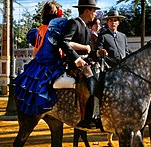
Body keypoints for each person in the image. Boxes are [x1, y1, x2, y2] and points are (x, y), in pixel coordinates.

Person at [14, 2, 65, 115]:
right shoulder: (56, 30)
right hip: (51, 63)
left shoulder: (38, 31)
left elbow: (36, 51)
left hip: (36, 64)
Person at [60, 0, 101, 129]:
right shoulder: (74, 23)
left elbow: (88, 51)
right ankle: (86, 118)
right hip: (74, 64)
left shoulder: (87, 28)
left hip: (86, 62)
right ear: (87, 10)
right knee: (91, 80)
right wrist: (76, 58)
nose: (95, 14)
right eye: (93, 11)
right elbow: (64, 42)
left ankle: (97, 115)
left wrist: (98, 53)